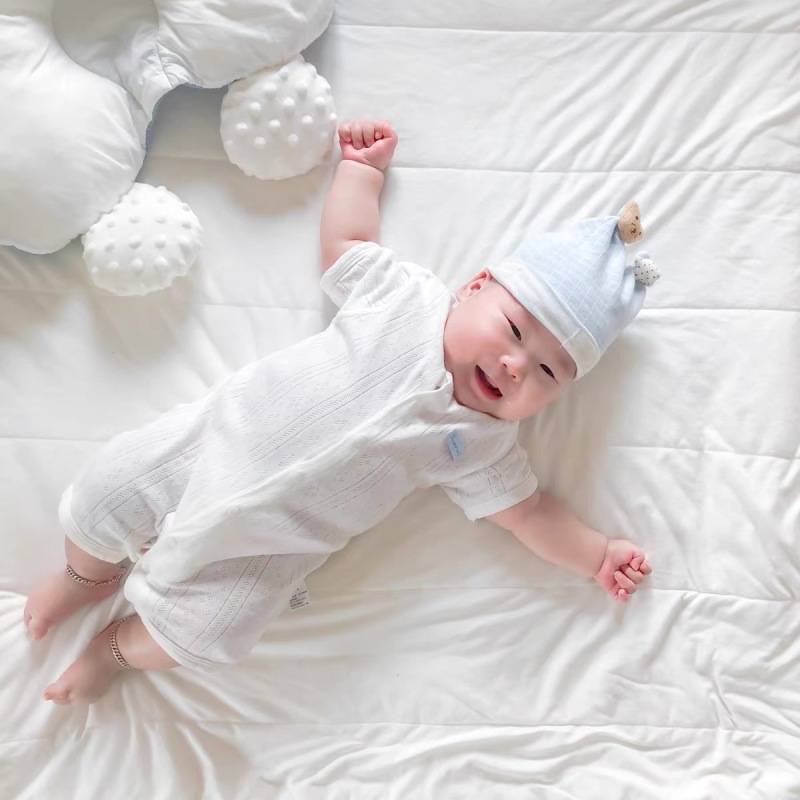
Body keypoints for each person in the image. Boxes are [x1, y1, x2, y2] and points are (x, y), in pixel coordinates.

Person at [24, 120, 654, 705]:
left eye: (548, 372)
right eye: (513, 330)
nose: (516, 366)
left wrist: (596, 555)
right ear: (474, 287)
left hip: (267, 549)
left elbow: (529, 514)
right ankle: (86, 578)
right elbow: (348, 243)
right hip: (201, 452)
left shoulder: (484, 443)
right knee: (104, 493)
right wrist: (361, 171)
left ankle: (115, 650)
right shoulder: (404, 299)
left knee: (209, 633)